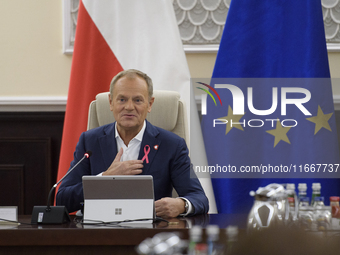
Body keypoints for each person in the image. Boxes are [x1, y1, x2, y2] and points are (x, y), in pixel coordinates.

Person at [56, 69, 209, 218]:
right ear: (111, 102)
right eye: (122, 99)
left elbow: (199, 198)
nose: (129, 107)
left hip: (150, 232)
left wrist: (181, 204)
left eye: (137, 100)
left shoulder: (171, 145)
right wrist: (105, 178)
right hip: (100, 231)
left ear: (149, 104)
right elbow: (63, 199)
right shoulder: (90, 141)